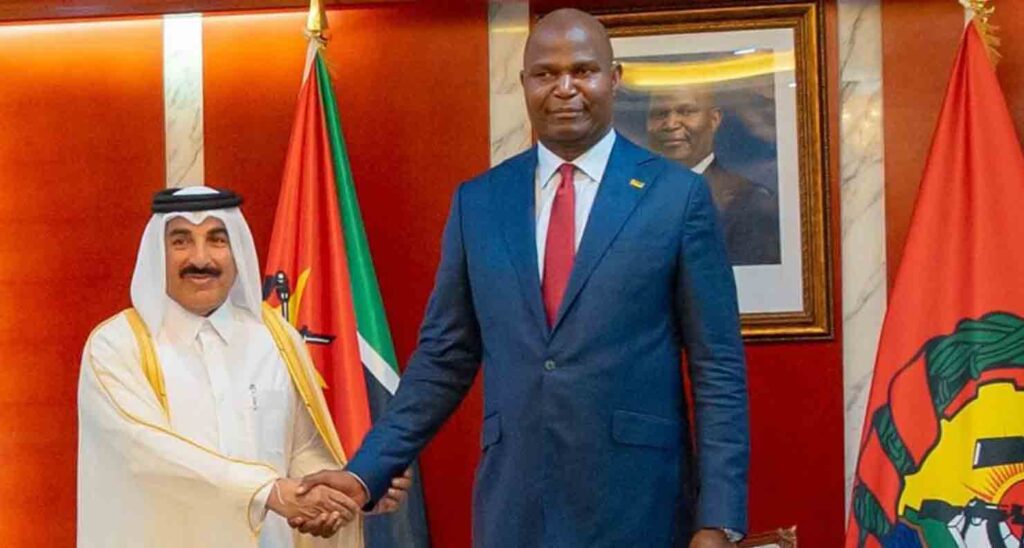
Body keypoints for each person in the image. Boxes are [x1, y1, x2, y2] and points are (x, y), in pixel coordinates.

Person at [297, 8, 749, 548]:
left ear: (614, 79)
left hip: (639, 505)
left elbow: (717, 367)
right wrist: (363, 473)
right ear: (524, 83)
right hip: (514, 505)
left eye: (583, 71)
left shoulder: (676, 196)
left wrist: (717, 520)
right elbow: (443, 357)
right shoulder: (479, 202)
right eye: (545, 74)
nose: (565, 88)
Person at [77, 186, 408, 548]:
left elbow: (301, 451)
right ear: (158, 253)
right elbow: (150, 455)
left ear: (237, 250)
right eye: (181, 242)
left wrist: (352, 491)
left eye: (217, 240)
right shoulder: (116, 347)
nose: (200, 259)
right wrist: (267, 491)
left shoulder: (276, 338)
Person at [646, 84, 781, 265]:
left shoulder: (751, 203)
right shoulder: (629, 197)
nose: (670, 124)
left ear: (714, 119)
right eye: (660, 114)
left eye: (686, 112)